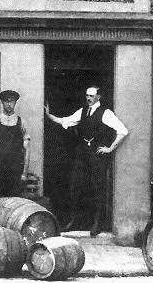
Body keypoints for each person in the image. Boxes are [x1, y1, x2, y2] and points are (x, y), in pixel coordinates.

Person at [44, 86, 129, 236]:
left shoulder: (106, 113)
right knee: (75, 185)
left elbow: (123, 131)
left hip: (97, 154)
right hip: (83, 152)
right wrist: (49, 115)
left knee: (98, 187)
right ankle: (74, 220)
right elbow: (66, 121)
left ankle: (98, 223)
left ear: (98, 97)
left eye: (91, 96)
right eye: (87, 96)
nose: (88, 98)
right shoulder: (82, 111)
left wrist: (110, 148)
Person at [0, 90, 31, 200]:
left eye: (12, 101)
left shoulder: (21, 122)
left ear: (15, 103)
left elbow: (27, 149)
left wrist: (24, 173)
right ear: (2, 102)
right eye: (6, 101)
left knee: (13, 201)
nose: (9, 104)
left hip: (15, 171)